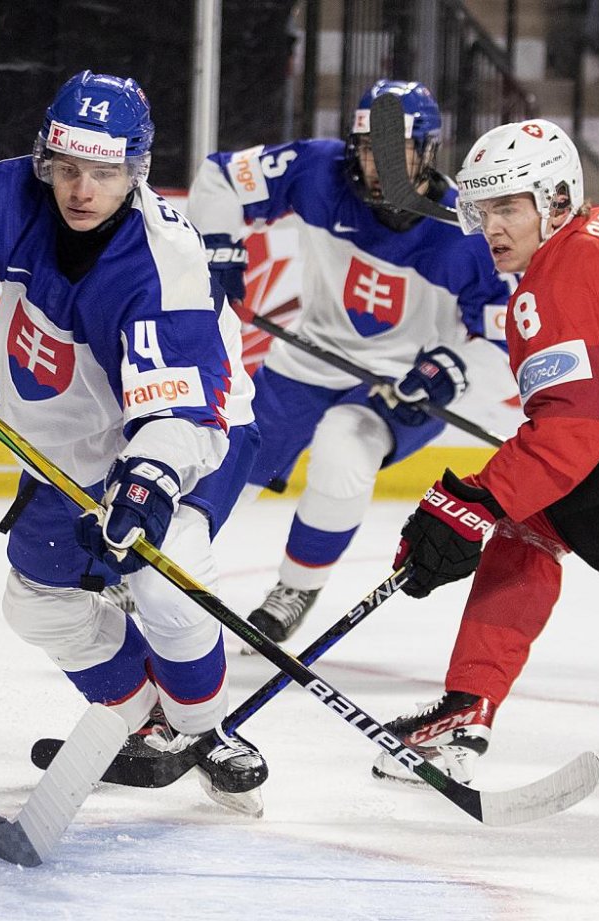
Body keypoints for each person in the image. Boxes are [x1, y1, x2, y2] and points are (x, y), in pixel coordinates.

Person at [0, 70, 267, 814]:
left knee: (162, 578)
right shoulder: (3, 195)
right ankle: (148, 722)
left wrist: (145, 477)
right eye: (67, 168)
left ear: (135, 171)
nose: (81, 189)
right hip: (75, 444)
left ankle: (208, 731)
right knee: (37, 605)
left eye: (104, 173)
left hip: (195, 431)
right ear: (45, 157)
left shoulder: (163, 264)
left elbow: (176, 417)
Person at [372, 118, 599, 785]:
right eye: (483, 211)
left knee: (527, 525)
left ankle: (464, 711)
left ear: (558, 201)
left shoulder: (554, 283)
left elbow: (570, 431)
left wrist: (471, 502)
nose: (493, 227)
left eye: (509, 206)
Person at [184, 79, 515, 647]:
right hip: (308, 358)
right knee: (232, 459)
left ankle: (297, 588)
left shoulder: (468, 232)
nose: (382, 165)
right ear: (352, 148)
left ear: (428, 153)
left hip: (402, 385)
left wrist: (450, 371)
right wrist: (217, 245)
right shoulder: (316, 170)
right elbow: (220, 177)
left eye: (401, 152)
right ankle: (164, 559)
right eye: (369, 149)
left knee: (345, 447)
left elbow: (507, 336)